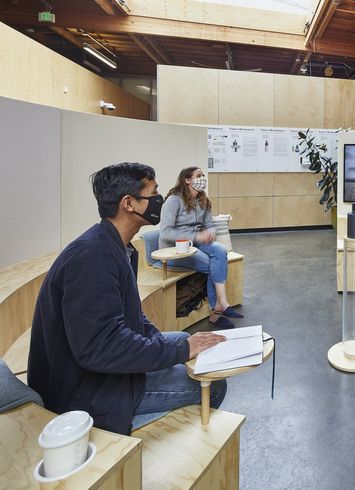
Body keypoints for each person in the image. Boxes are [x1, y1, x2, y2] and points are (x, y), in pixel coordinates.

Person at [28, 162, 227, 435]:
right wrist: (179, 352)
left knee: (185, 341)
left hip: (107, 369)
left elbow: (131, 316)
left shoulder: (120, 248)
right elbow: (101, 348)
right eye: (153, 194)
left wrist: (170, 344)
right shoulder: (92, 258)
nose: (160, 200)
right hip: (87, 390)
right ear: (129, 203)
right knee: (214, 383)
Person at [159, 167, 242, 329]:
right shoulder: (173, 201)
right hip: (174, 250)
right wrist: (197, 236)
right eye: (198, 176)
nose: (202, 178)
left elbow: (210, 225)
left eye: (203, 175)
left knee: (219, 250)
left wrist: (209, 233)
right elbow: (166, 232)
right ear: (187, 180)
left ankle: (222, 302)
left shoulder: (203, 200)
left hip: (195, 244)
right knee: (213, 265)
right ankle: (216, 312)